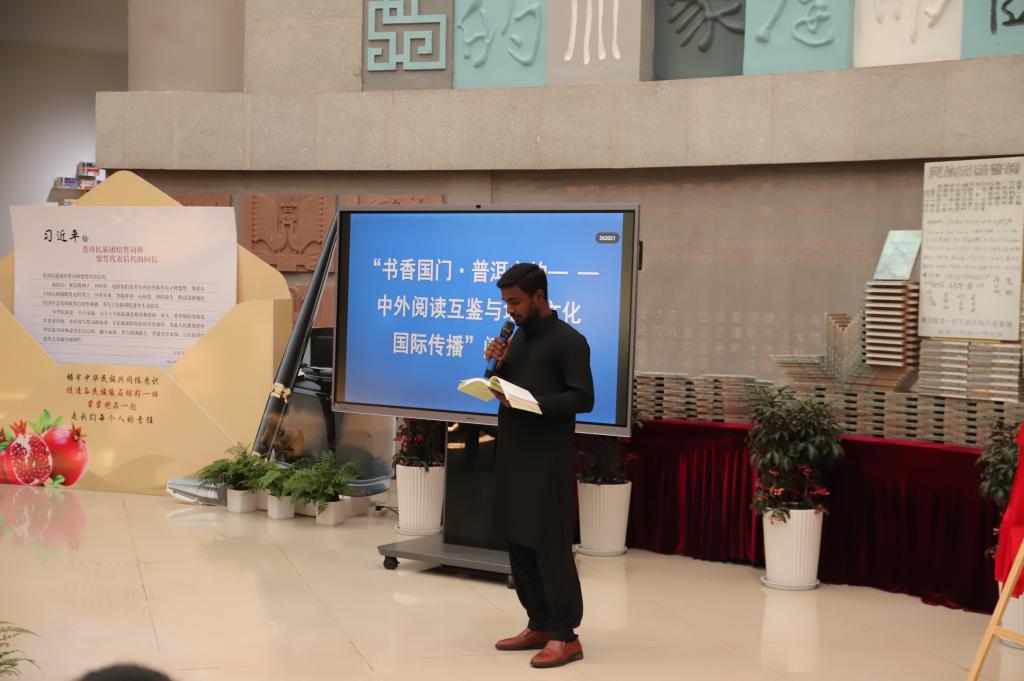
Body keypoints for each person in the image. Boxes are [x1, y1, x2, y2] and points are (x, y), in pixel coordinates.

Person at [484, 262, 594, 669]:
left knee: (549, 545)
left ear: (539, 296)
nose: (509, 310)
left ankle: (566, 635)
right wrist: (495, 368)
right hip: (514, 452)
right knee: (519, 539)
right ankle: (540, 622)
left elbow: (583, 398)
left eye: (515, 302)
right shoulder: (515, 340)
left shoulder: (570, 341)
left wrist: (536, 405)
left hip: (548, 459)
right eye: (506, 302)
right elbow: (504, 390)